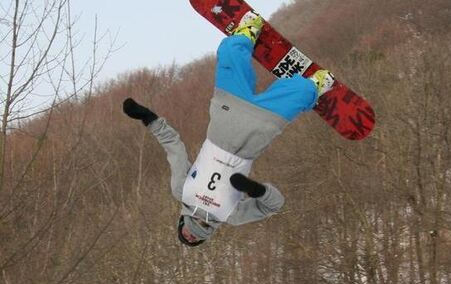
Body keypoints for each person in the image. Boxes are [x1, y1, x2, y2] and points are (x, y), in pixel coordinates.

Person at [122, 10, 335, 246]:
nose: (190, 236)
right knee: (300, 95)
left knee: (229, 55)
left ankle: (248, 31)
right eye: (193, 240)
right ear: (205, 238)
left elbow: (174, 148)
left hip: (226, 114)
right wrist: (256, 191)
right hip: (255, 134)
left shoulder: (182, 191)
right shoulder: (232, 216)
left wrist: (149, 118)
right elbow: (275, 205)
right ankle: (315, 86)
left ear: (181, 223)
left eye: (185, 235)